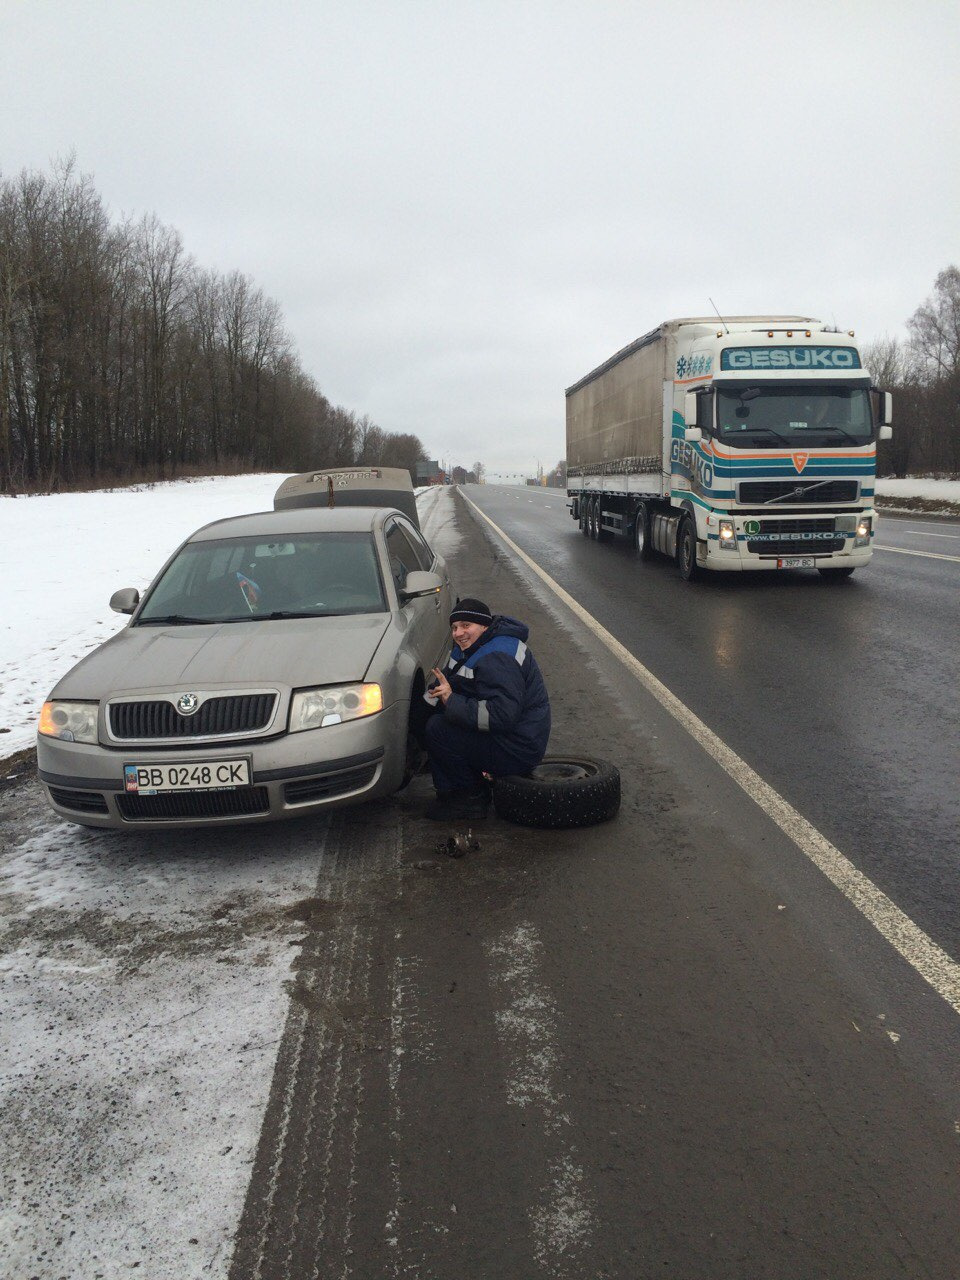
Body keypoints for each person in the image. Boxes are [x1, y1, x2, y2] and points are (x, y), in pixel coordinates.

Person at [423, 597, 551, 820]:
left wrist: (451, 701)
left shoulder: (497, 656)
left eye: (466, 626)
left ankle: (469, 798)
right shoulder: (469, 648)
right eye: (454, 627)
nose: (458, 633)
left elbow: (501, 715)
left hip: (518, 747)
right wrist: (416, 712)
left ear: (484, 626)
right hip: (511, 737)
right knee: (434, 719)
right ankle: (462, 783)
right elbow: (446, 682)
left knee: (439, 730)